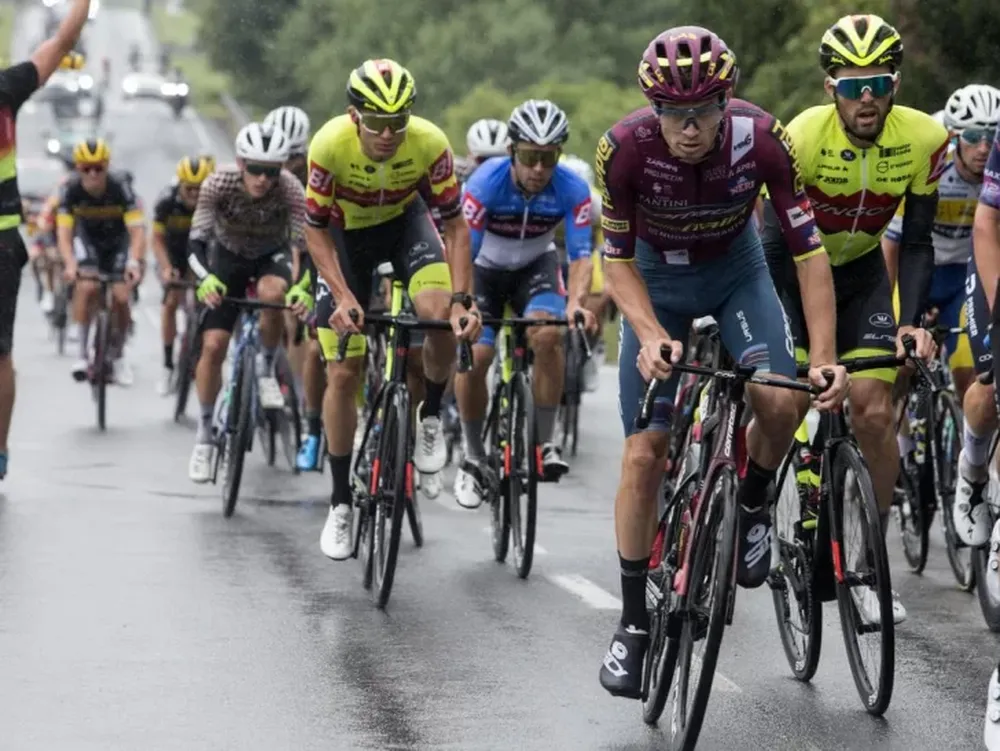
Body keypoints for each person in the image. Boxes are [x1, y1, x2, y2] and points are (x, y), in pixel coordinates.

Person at [595, 26, 848, 700]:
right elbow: (613, 261)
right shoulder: (623, 150)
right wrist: (648, 334)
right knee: (643, 455)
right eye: (672, 113)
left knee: (781, 396)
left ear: (725, 101)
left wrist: (823, 358)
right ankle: (631, 623)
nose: (687, 128)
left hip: (737, 275)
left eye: (702, 112)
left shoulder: (763, 139)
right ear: (653, 108)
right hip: (657, 286)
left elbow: (807, 253)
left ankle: (757, 497)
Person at [762, 14, 947, 624]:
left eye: (877, 82)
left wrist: (912, 320)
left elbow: (917, 240)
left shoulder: (923, 138)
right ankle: (762, 500)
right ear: (829, 89)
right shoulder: (802, 136)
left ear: (894, 84)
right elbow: (771, 242)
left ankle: (866, 560)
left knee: (872, 408)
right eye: (850, 85)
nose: (864, 97)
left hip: (865, 273)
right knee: (787, 401)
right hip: (793, 271)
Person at [304, 58, 479, 560]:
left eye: (398, 122)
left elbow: (455, 224)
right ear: (353, 116)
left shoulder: (429, 142)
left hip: (406, 225)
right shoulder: (329, 145)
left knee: (436, 313)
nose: (388, 133)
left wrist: (464, 301)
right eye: (377, 123)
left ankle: (429, 417)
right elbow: (314, 229)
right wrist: (342, 294)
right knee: (343, 370)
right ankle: (340, 502)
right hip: (345, 237)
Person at [453, 100, 596, 507]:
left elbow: (582, 255)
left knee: (549, 335)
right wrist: (465, 304)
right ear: (512, 152)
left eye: (548, 158)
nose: (538, 169)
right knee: (477, 357)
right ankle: (472, 455)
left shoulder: (572, 188)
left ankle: (544, 444)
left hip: (536, 265)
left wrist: (577, 303)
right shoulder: (484, 183)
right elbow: (467, 247)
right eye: (530, 157)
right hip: (484, 269)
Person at [186, 123, 312, 482]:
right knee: (213, 345)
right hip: (227, 257)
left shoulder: (290, 189)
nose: (262, 179)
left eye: (271, 171)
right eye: (255, 169)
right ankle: (205, 434)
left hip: (272, 255)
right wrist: (205, 277)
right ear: (240, 163)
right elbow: (195, 242)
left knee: (274, 297)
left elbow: (310, 247)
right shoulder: (218, 183)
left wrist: (302, 287)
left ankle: (266, 366)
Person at [0, 0, 91, 480]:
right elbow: (62, 42)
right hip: (3, 239)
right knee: (0, 354)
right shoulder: (5, 88)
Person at [922, 86, 1000, 547]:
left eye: (992, 134)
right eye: (973, 135)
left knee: (970, 370)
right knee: (891, 372)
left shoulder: (992, 168)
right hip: (927, 270)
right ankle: (907, 446)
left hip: (965, 275)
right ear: (954, 137)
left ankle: (965, 442)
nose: (984, 144)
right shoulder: (935, 167)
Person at [58, 138, 146, 386]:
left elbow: (137, 231)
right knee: (87, 287)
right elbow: (64, 232)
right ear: (78, 168)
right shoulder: (70, 189)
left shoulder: (120, 186)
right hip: (88, 242)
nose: (93, 174)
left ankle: (118, 356)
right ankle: (81, 356)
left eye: (99, 168)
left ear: (107, 166)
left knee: (120, 297)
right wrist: (69, 263)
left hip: (118, 243)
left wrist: (134, 262)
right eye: (87, 168)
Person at [150, 154, 214, 395]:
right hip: (173, 251)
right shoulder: (166, 201)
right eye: (190, 189)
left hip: (202, 252)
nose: (195, 195)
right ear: (180, 184)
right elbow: (155, 239)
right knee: (171, 301)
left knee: (203, 300)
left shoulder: (214, 201)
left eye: (200, 189)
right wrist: (166, 268)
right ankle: (167, 365)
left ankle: (195, 350)